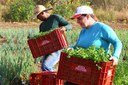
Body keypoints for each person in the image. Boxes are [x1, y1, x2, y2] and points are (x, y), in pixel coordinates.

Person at [65, 5, 122, 85]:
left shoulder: (102, 28)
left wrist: (115, 56)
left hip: (97, 69)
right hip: (82, 69)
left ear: (87, 16)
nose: (77, 22)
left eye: (79, 18)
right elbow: (77, 46)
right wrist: (71, 48)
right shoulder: (83, 31)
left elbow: (117, 42)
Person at [32, 5, 72, 71]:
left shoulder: (55, 18)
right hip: (48, 49)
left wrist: (64, 28)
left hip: (58, 47)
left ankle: (54, 80)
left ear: (42, 13)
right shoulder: (42, 25)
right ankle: (50, 80)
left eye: (38, 16)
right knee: (44, 67)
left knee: (46, 66)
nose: (38, 18)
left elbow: (69, 25)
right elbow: (41, 39)